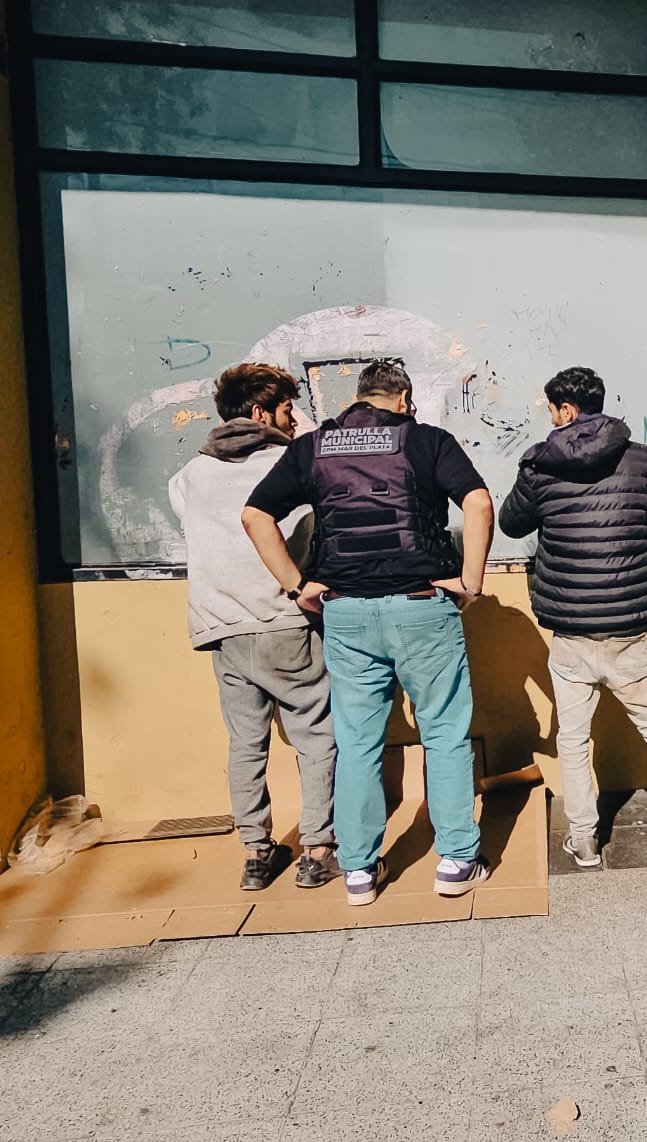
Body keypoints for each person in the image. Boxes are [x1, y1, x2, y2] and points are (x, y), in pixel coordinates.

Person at [241, 360, 495, 906]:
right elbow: (477, 501)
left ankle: (358, 870)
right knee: (444, 734)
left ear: (358, 398)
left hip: (347, 613)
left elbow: (255, 515)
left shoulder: (313, 447)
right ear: (402, 400)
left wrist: (296, 586)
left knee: (357, 742)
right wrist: (470, 582)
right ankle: (456, 861)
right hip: (422, 606)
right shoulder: (426, 440)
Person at [499, 366, 647, 867]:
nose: (550, 418)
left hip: (571, 630)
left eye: (552, 410)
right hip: (632, 626)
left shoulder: (539, 463)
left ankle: (585, 839)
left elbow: (510, 524)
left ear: (567, 409)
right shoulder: (642, 459)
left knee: (573, 739)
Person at [167, 362, 339, 891]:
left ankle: (256, 853)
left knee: (245, 742)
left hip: (222, 627)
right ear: (262, 412)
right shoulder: (292, 463)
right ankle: (317, 850)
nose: (294, 418)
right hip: (285, 618)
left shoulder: (191, 475)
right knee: (316, 734)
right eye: (287, 409)